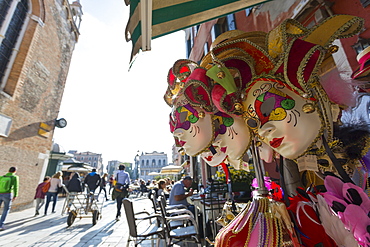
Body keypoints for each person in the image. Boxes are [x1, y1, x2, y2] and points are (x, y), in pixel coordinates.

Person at [0, 167, 19, 231]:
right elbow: (16, 187)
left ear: (8, 170)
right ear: (15, 171)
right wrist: (15, 195)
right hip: (7, 194)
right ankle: (1, 225)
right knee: (6, 209)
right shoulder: (14, 177)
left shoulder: (2, 177)